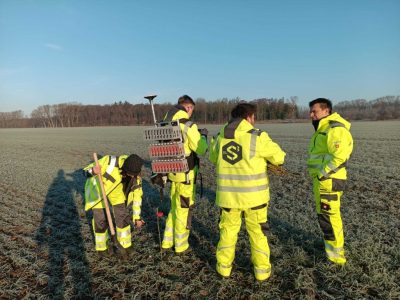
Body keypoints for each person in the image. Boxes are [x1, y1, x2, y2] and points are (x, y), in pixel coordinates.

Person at [209, 102, 285, 281]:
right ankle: (262, 273)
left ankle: (223, 270)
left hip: (228, 200)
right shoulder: (257, 136)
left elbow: (214, 158)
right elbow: (279, 157)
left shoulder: (219, 137)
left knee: (227, 234)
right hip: (255, 200)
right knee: (258, 235)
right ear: (249, 117)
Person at [160, 95, 208, 254]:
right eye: (191, 109)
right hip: (186, 174)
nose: (191, 113)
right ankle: (180, 245)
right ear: (187, 107)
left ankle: (167, 242)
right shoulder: (187, 124)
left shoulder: (165, 122)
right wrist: (203, 137)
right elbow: (200, 148)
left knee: (174, 208)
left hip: (172, 172)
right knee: (183, 210)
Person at [307, 98, 353, 265]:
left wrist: (323, 173)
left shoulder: (334, 129)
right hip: (323, 181)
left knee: (329, 217)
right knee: (325, 217)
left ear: (326, 111)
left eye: (314, 111)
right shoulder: (323, 128)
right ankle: (331, 248)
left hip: (329, 180)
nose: (311, 114)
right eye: (311, 111)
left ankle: (336, 258)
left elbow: (341, 157)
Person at [83, 154, 145, 257]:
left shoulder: (136, 178)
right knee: (100, 219)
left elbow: (137, 199)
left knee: (122, 215)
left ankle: (125, 244)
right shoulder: (109, 161)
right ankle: (102, 248)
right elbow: (85, 171)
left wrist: (137, 218)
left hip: (116, 191)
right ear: (125, 168)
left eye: (134, 174)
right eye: (130, 174)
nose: (132, 176)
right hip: (97, 191)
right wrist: (93, 171)